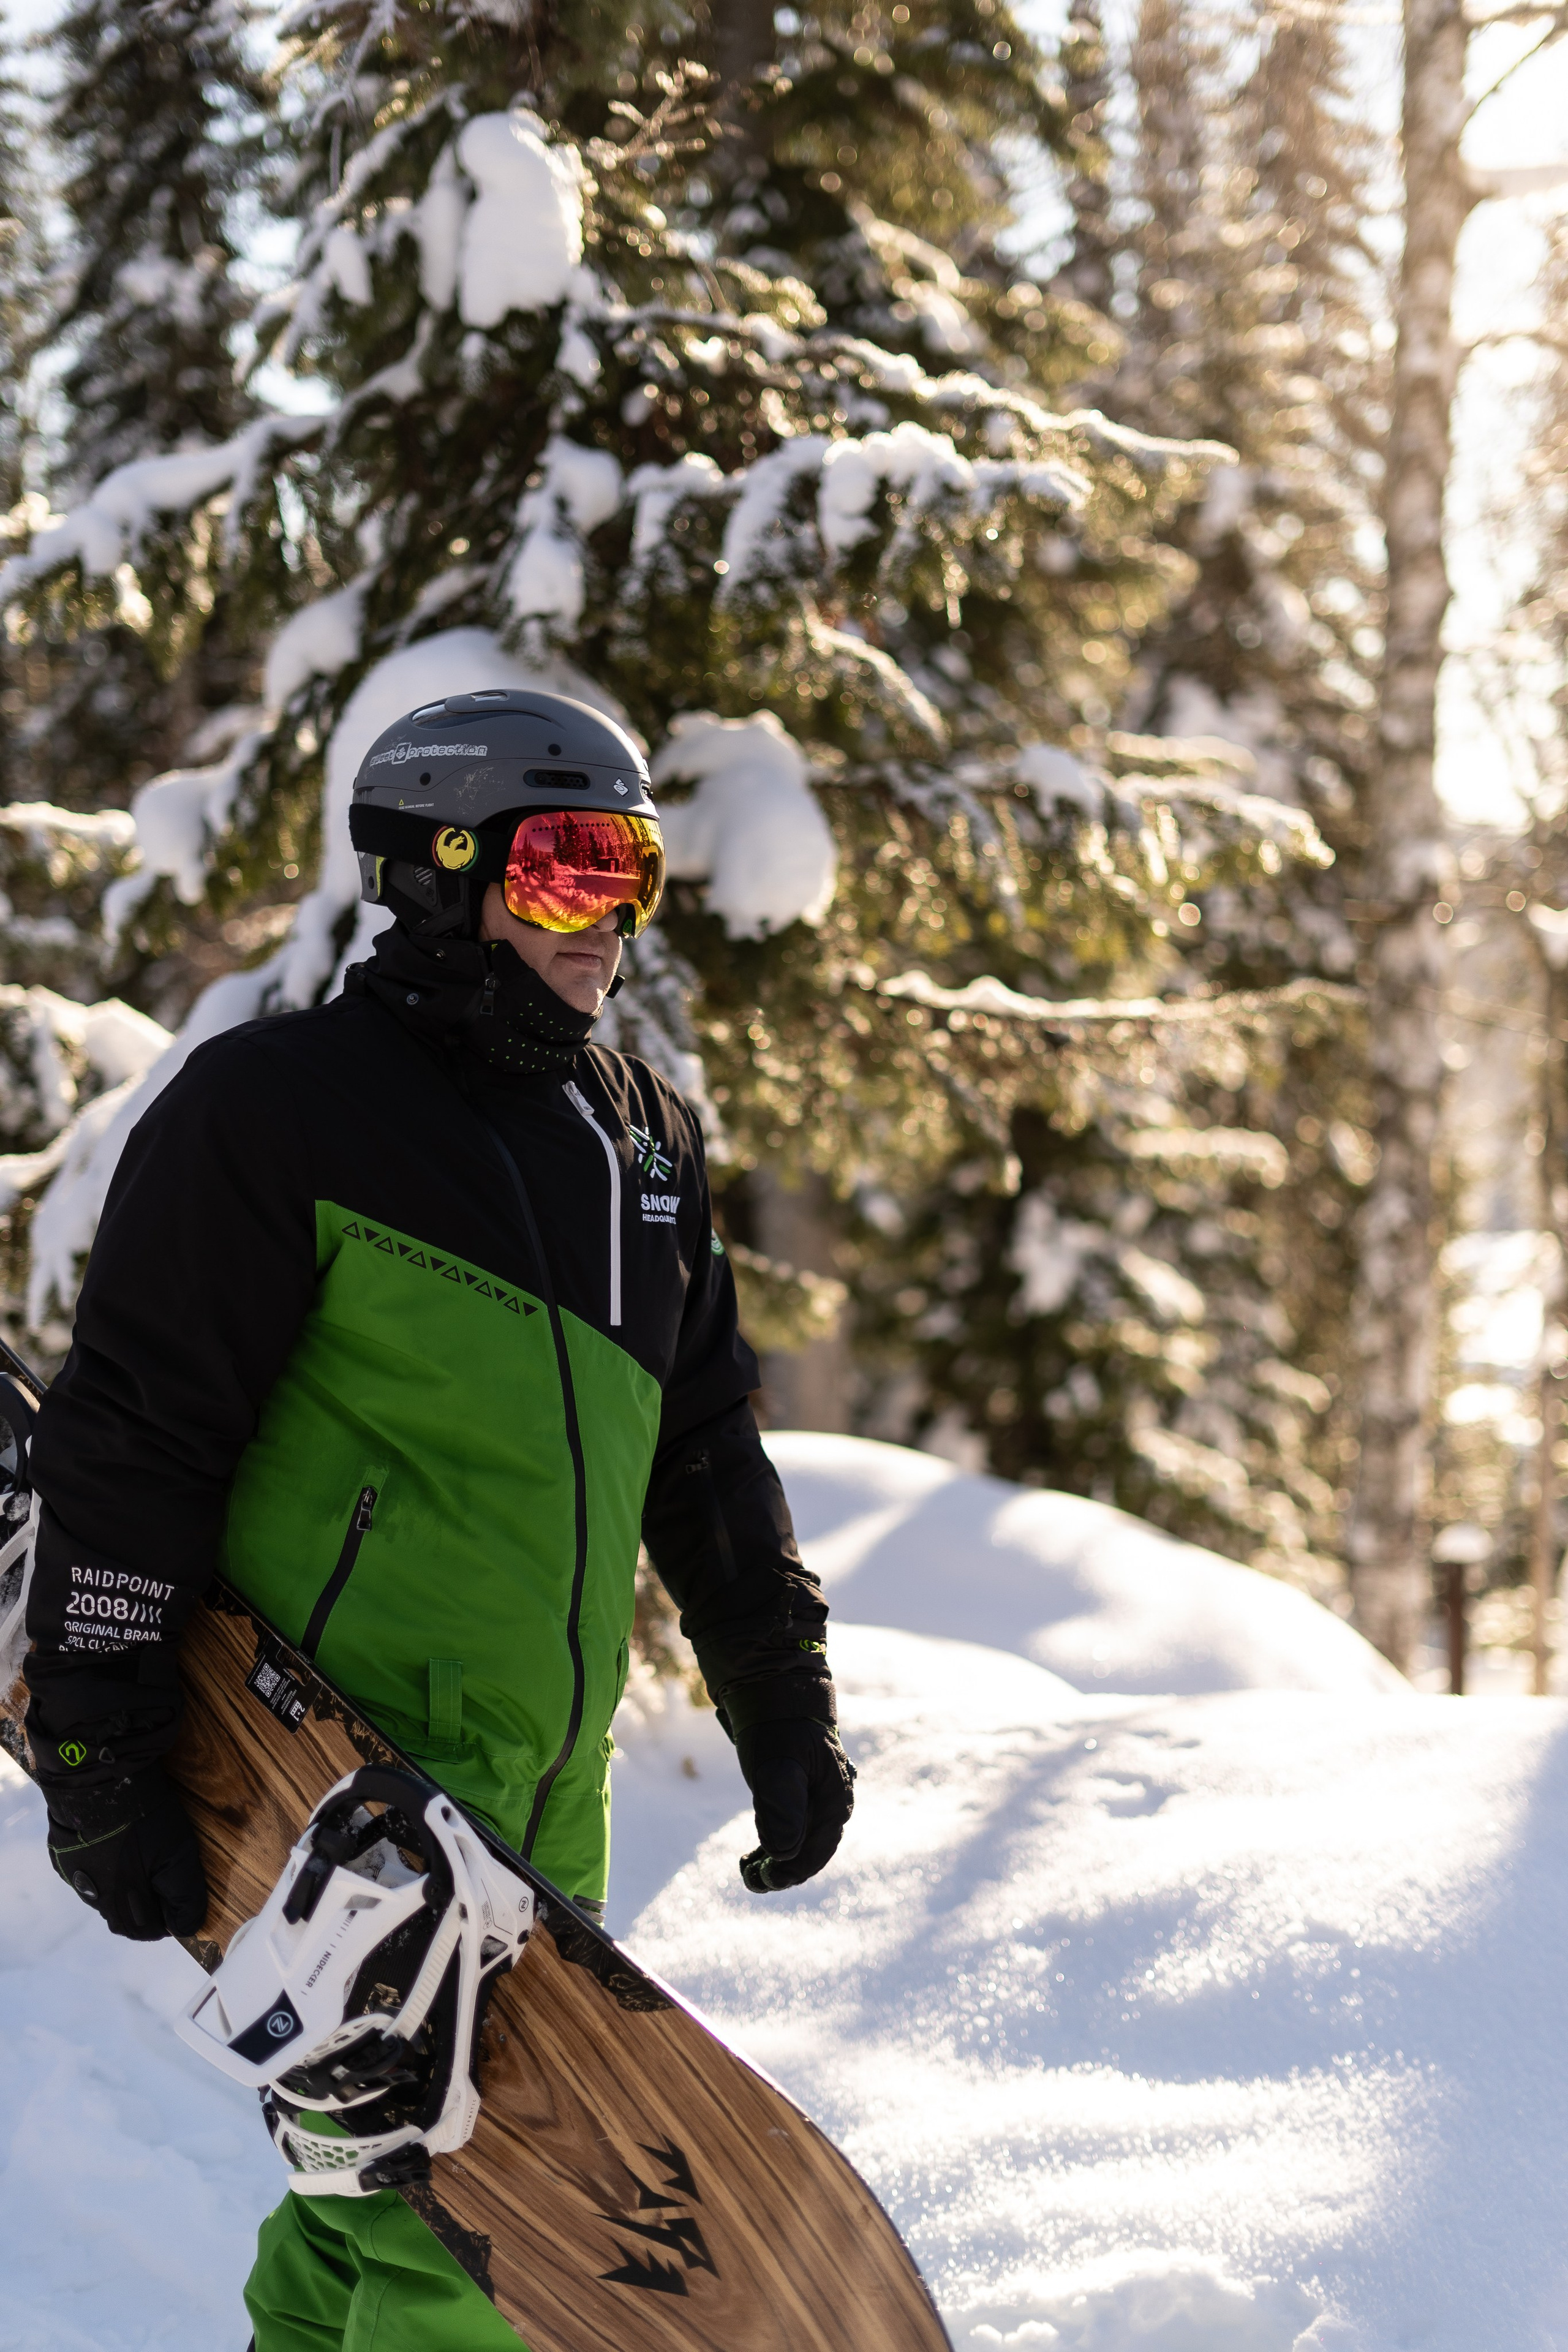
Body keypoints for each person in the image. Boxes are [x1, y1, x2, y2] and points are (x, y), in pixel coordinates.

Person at [21, 687, 855, 2351]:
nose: (606, 919)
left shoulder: (644, 1149)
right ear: (439, 872)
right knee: (477, 2271)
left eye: (633, 873)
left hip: (547, 1799)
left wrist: (780, 1694)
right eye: (564, 869)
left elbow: (703, 1453)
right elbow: (139, 1430)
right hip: (345, 1793)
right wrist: (96, 1734)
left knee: (373, 2213)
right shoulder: (282, 1109)